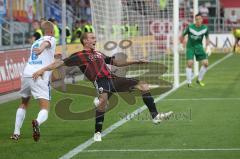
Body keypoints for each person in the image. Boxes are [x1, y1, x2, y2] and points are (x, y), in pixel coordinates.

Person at [32, 32, 173, 142]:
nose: (95, 40)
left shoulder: (99, 53)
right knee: (103, 101)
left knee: (143, 85)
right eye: (92, 38)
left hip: (113, 79)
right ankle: (97, 132)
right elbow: (59, 63)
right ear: (85, 41)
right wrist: (41, 70)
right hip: (101, 82)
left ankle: (155, 116)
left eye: (94, 38)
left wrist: (137, 61)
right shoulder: (79, 55)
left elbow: (116, 62)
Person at [10, 21, 56, 142]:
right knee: (44, 108)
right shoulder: (50, 38)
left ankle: (16, 132)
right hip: (38, 75)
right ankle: (37, 122)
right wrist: (42, 48)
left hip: (26, 74)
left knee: (24, 103)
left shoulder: (35, 42)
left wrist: (40, 48)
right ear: (51, 31)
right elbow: (46, 43)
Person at [180, 13, 210, 87]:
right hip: (190, 47)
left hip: (199, 47)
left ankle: (199, 80)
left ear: (202, 20)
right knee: (190, 63)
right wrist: (181, 44)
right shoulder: (190, 27)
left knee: (206, 63)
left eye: (199, 19)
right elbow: (182, 35)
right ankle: (189, 82)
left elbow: (207, 38)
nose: (198, 21)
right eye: (196, 19)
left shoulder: (205, 28)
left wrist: (208, 46)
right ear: (195, 20)